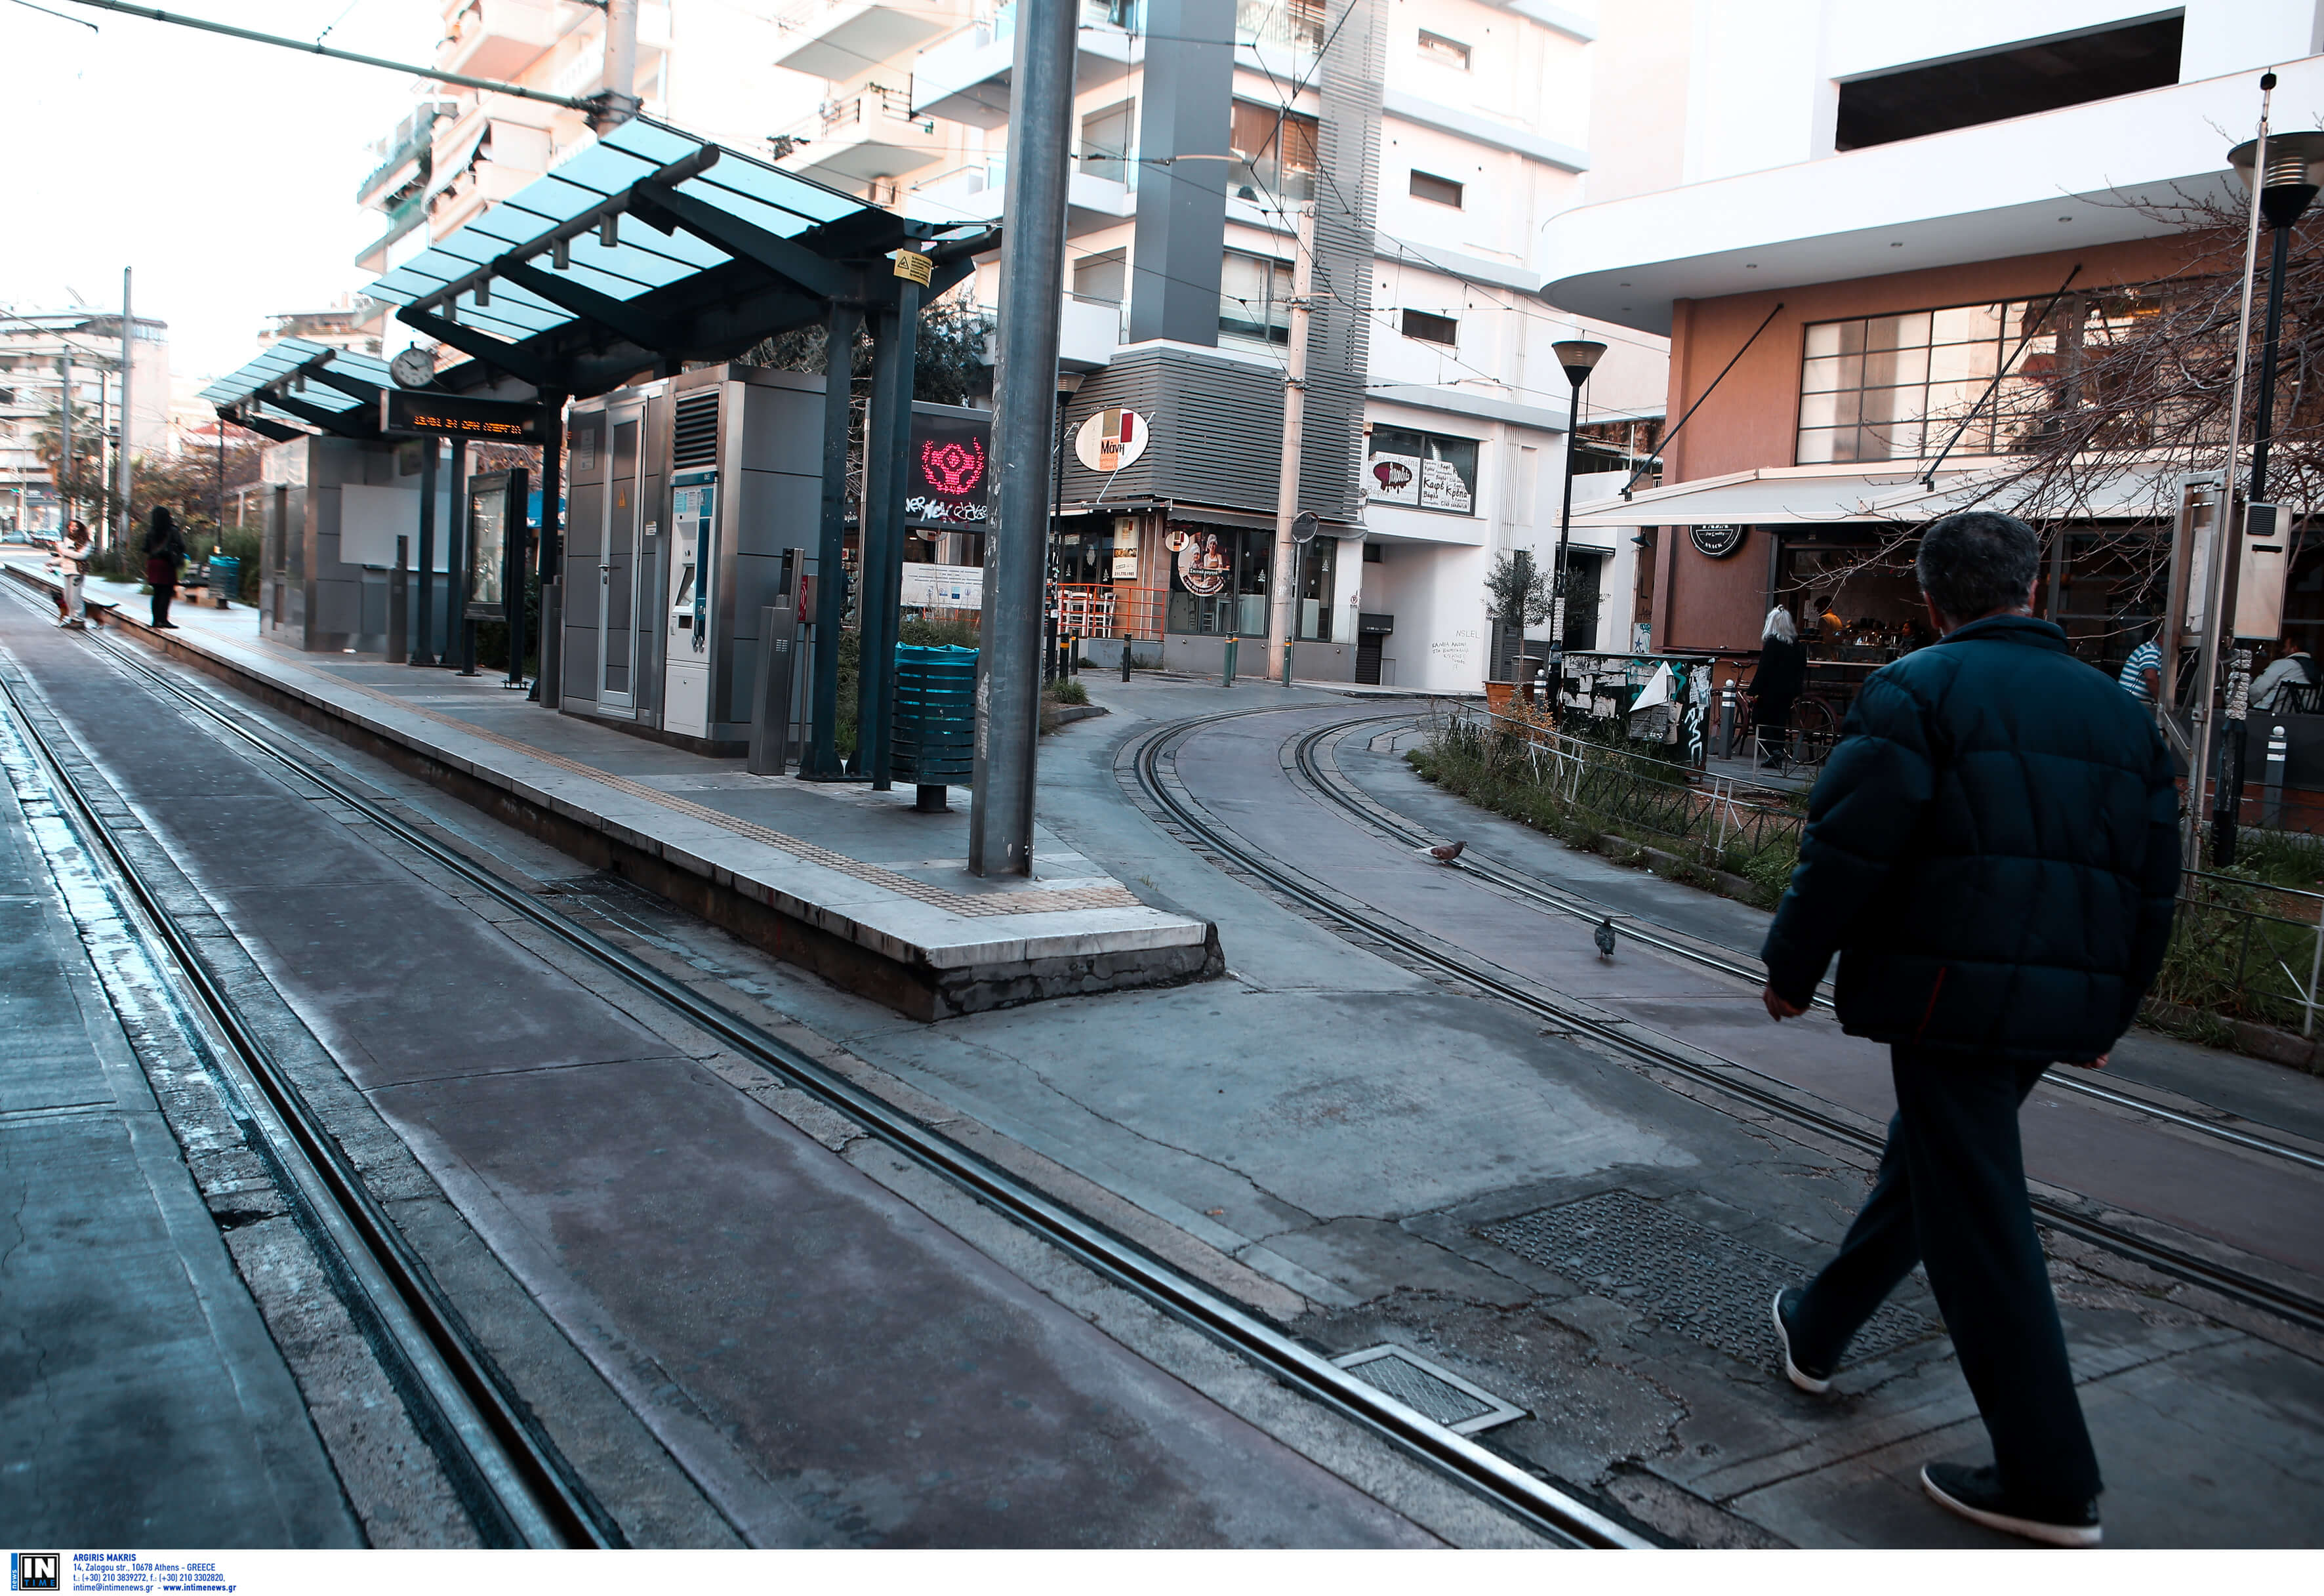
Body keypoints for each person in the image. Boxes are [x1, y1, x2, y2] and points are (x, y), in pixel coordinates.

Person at [1759, 510, 2178, 1548]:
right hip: (2048, 1008)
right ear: (2030, 591)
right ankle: (1818, 1324)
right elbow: (2153, 886)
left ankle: (2047, 1474)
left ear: (1932, 601)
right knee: (1938, 1161)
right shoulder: (2120, 718)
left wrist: (1791, 968)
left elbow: (1846, 848)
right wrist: (2108, 1012)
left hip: (1944, 997)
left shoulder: (1914, 691)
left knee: (1976, 1222)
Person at [1747, 606, 1808, 768]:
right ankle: (1777, 753)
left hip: (1770, 690)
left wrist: (1753, 690)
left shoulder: (1773, 643)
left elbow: (1764, 669)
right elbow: (1802, 667)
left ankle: (1773, 751)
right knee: (1779, 722)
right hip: (1788, 691)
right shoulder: (1797, 645)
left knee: (1759, 719)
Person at [144, 506, 186, 629]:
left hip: (153, 563)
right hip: (166, 563)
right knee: (166, 592)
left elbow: (146, 548)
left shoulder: (151, 531)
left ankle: (155, 620)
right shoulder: (172, 530)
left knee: (157, 592)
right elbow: (181, 546)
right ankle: (163, 619)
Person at [2248, 644, 2317, 716]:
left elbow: (2258, 690)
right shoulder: (2317, 672)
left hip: (2265, 715)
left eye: (2285, 647)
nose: (2283, 650)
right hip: (2299, 718)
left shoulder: (2283, 664)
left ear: (2294, 648)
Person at [52, 519, 94, 629]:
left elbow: (81, 556)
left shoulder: (86, 542)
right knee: (68, 598)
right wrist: (51, 563)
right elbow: (64, 558)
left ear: (81, 528)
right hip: (66, 571)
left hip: (77, 572)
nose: (74, 528)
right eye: (71, 526)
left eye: (76, 526)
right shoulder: (67, 541)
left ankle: (79, 620)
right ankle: (72, 619)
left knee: (75, 598)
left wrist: (62, 551)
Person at [2117, 629, 2162, 706]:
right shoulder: (2152, 651)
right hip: (2132, 701)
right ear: (2161, 638)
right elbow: (2151, 678)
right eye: (2178, 637)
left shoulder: (2157, 651)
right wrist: (2161, 703)